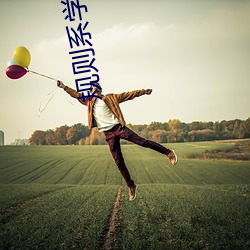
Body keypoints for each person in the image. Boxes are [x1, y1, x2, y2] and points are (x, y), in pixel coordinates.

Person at [57, 81, 177, 201]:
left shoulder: (111, 97)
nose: (90, 90)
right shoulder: (89, 101)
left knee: (142, 142)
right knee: (118, 161)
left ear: (98, 88)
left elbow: (128, 94)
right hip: (108, 134)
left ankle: (168, 152)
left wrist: (143, 92)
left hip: (119, 128)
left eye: (92, 88)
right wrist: (64, 87)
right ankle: (131, 186)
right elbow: (76, 94)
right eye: (89, 89)